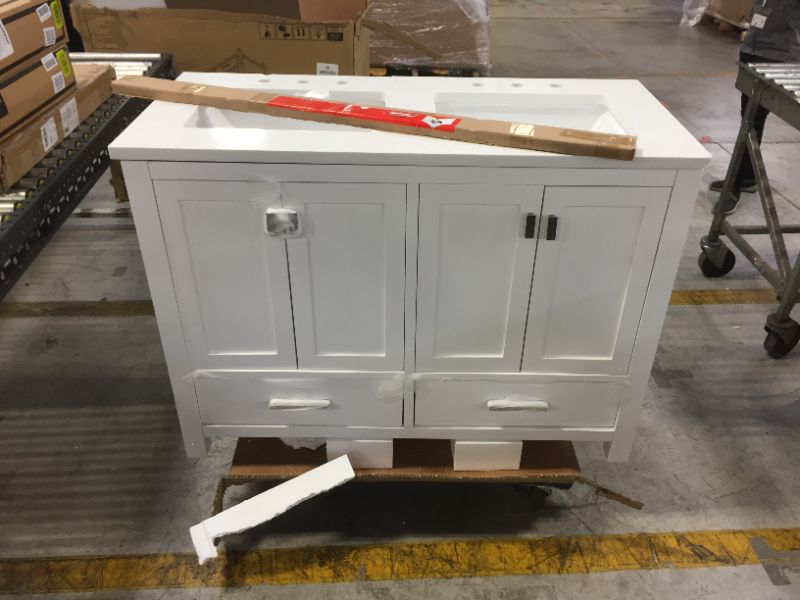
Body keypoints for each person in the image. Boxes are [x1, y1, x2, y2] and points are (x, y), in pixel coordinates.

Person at [710, 0, 800, 214]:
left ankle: (734, 186)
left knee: (751, 121)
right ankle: (747, 176)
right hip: (753, 46)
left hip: (780, 55)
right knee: (750, 119)